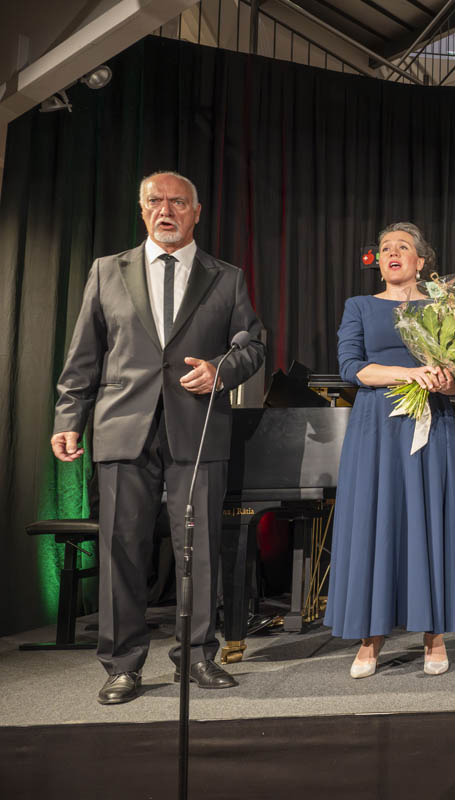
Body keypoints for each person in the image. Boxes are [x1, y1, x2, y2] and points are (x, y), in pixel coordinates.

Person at [52, 171, 265, 704]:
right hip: (123, 426)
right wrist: (68, 418)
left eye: (177, 202)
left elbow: (252, 346)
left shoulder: (227, 278)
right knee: (122, 548)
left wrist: (221, 370)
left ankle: (197, 657)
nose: (166, 210)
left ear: (196, 212)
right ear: (142, 210)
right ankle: (122, 664)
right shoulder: (107, 271)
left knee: (201, 548)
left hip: (197, 429)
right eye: (155, 201)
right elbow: (84, 355)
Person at [323, 223, 455, 678]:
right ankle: (370, 637)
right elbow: (351, 367)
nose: (391, 252)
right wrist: (410, 375)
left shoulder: (442, 308)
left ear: (420, 261)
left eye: (402, 247)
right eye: (385, 247)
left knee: (431, 521)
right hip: (377, 429)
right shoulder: (360, 306)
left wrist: (446, 381)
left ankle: (435, 635)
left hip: (432, 424)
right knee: (376, 522)